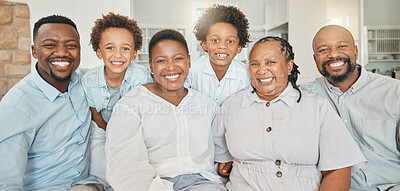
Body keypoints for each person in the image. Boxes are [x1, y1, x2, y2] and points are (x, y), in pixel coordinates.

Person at [214, 36, 366, 191]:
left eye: (270, 62)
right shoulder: (231, 106)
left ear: (289, 66)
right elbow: (219, 159)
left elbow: (338, 168)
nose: (261, 70)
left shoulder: (316, 107)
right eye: (255, 64)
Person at [105, 29, 226, 191]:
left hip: (201, 182)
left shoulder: (206, 104)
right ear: (151, 66)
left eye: (178, 59)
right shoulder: (131, 104)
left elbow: (222, 150)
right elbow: (125, 164)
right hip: (149, 183)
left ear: (189, 61)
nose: (171, 67)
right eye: (162, 61)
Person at [0, 15, 103, 191]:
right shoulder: (16, 107)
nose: (62, 53)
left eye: (71, 45)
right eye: (50, 45)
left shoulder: (88, 83)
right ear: (34, 51)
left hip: (86, 184)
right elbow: (6, 182)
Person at [301, 25, 400, 191]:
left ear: (355, 51)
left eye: (341, 46)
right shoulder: (304, 96)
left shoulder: (394, 92)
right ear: (315, 58)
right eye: (324, 50)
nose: (333, 54)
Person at [81, 12, 151, 183]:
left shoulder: (140, 77)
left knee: (138, 165)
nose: (118, 55)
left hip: (134, 130)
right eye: (110, 48)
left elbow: (145, 114)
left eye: (125, 48)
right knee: (102, 167)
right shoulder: (89, 81)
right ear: (99, 52)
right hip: (103, 129)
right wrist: (110, 136)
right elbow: (96, 115)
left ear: (134, 54)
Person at [185, 4, 251, 105]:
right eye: (215, 40)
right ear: (204, 45)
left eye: (230, 41)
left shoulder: (247, 75)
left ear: (239, 48)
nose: (222, 46)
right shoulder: (190, 71)